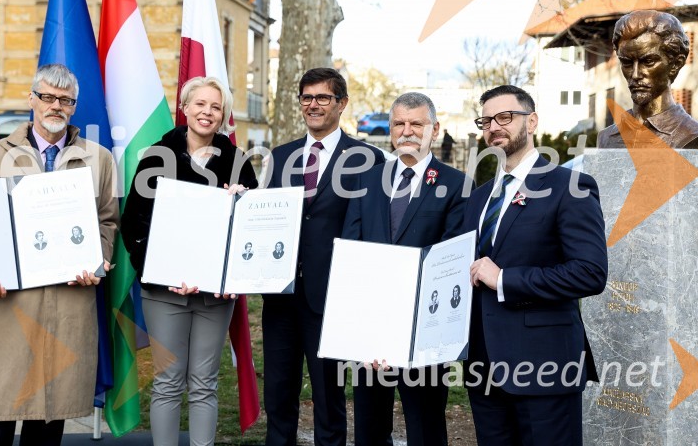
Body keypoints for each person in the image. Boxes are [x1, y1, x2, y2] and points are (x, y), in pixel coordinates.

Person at [0, 64, 119, 446]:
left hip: (68, 302)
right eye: (48, 97)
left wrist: (97, 262)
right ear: (31, 100)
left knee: (49, 416)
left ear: (74, 106)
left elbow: (107, 221)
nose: (56, 106)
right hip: (9, 302)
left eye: (65, 100)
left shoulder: (99, 158)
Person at [465, 85, 608, 445]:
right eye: (486, 120)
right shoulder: (480, 197)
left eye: (505, 117)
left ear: (531, 121)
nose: (494, 126)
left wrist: (506, 280)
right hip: (483, 365)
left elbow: (590, 272)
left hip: (544, 364)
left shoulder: (569, 187)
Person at [121, 76, 258, 446]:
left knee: (204, 382)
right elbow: (133, 222)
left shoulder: (237, 162)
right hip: (164, 291)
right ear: (185, 107)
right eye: (200, 104)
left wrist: (242, 203)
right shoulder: (156, 155)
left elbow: (252, 232)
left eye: (216, 107)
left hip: (216, 293)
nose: (207, 112)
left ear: (223, 115)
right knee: (167, 381)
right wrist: (165, 272)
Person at [263, 67, 385, 446]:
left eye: (323, 98)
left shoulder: (369, 158)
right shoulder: (279, 157)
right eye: (306, 97)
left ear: (342, 104)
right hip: (280, 295)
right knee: (278, 395)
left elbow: (373, 230)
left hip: (332, 296)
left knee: (328, 396)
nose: (313, 105)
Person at [342, 91, 466, 446]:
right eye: (399, 123)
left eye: (417, 123)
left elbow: (451, 256)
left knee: (425, 425)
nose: (407, 131)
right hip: (372, 327)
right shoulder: (366, 180)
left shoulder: (456, 185)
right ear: (391, 129)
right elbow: (353, 249)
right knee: (369, 424)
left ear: (435, 129)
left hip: (424, 327)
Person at [597, 10, 698, 149]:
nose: (635, 75)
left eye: (648, 62)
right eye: (627, 63)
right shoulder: (607, 137)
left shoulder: (692, 135)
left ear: (676, 64)